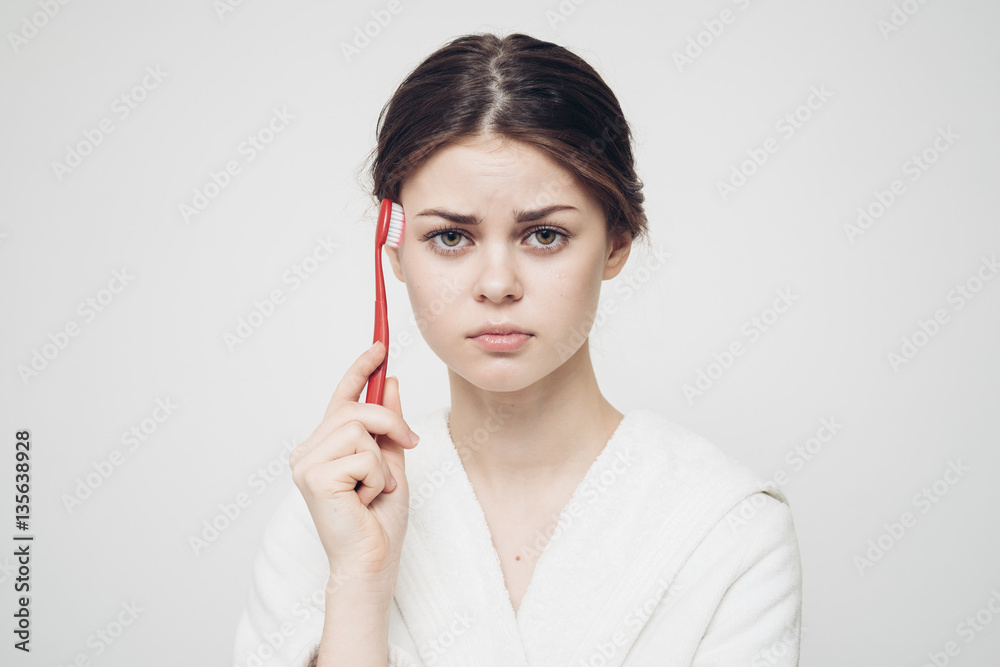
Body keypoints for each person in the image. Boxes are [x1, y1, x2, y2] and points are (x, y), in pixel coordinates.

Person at [232, 32, 802, 667]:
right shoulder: (327, 514)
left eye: (545, 234)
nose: (497, 284)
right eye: (450, 237)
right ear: (394, 249)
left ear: (616, 243)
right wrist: (361, 585)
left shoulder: (727, 528)